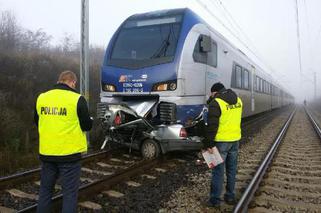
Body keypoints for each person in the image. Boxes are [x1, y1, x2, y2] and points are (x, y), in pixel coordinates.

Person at [34, 70, 92, 213]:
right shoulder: (77, 99)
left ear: (59, 80)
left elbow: (37, 120)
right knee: (69, 193)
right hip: (69, 155)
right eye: (74, 84)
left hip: (47, 153)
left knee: (45, 191)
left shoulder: (42, 97)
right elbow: (86, 125)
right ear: (73, 82)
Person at [203, 82, 242, 208]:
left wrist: (208, 143)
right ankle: (230, 196)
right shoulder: (238, 100)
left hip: (221, 142)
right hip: (235, 140)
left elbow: (212, 125)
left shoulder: (216, 103)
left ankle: (215, 200)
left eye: (212, 94)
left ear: (215, 92)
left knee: (218, 172)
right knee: (231, 170)